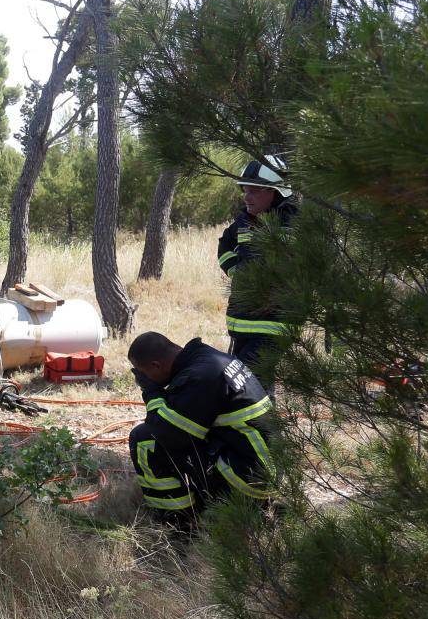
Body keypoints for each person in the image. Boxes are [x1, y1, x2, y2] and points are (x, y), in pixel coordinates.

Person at [124, 331, 278, 521]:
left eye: (143, 373)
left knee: (144, 439)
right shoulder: (207, 358)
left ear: (156, 365)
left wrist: (151, 391)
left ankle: (180, 523)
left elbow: (165, 434)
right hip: (259, 469)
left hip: (247, 481)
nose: (141, 378)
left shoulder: (200, 377)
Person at [217, 154, 298, 387]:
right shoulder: (244, 221)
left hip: (273, 322)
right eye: (245, 190)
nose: (246, 196)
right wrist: (235, 270)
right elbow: (224, 243)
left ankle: (261, 423)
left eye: (254, 191)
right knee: (249, 385)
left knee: (247, 385)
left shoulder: (295, 224)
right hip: (241, 321)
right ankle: (260, 422)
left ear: (275, 192)